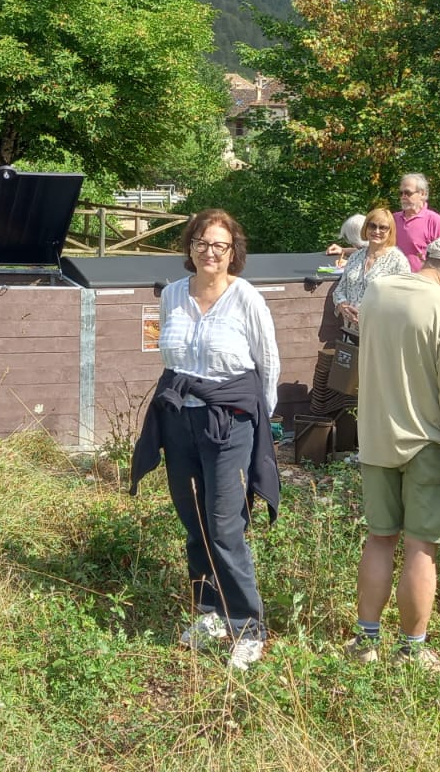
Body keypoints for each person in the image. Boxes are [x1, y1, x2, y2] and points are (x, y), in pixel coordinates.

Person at [129, 209, 280, 671]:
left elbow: (267, 366)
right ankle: (210, 613)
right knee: (193, 519)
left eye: (219, 245)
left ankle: (248, 626)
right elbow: (169, 357)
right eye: (201, 243)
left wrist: (256, 427)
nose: (209, 252)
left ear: (233, 251)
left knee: (225, 524)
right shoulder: (173, 294)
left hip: (229, 423)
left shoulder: (246, 298)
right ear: (189, 247)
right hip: (180, 421)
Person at [349, 236, 440, 668]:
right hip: (428, 444)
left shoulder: (377, 292)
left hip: (374, 437)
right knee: (420, 547)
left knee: (378, 538)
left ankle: (365, 643)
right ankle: (411, 650)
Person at [332, 208, 411, 333]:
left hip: (381, 333)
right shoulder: (355, 257)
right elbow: (339, 290)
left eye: (383, 227)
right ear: (365, 228)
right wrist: (343, 307)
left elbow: (405, 300)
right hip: (351, 332)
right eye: (372, 226)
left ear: (390, 231)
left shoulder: (398, 261)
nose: (376, 231)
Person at [393, 172, 440, 272]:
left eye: (408, 193)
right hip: (394, 278)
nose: (403, 197)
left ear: (422, 194)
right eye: (401, 193)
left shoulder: (434, 220)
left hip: (421, 280)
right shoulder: (393, 219)